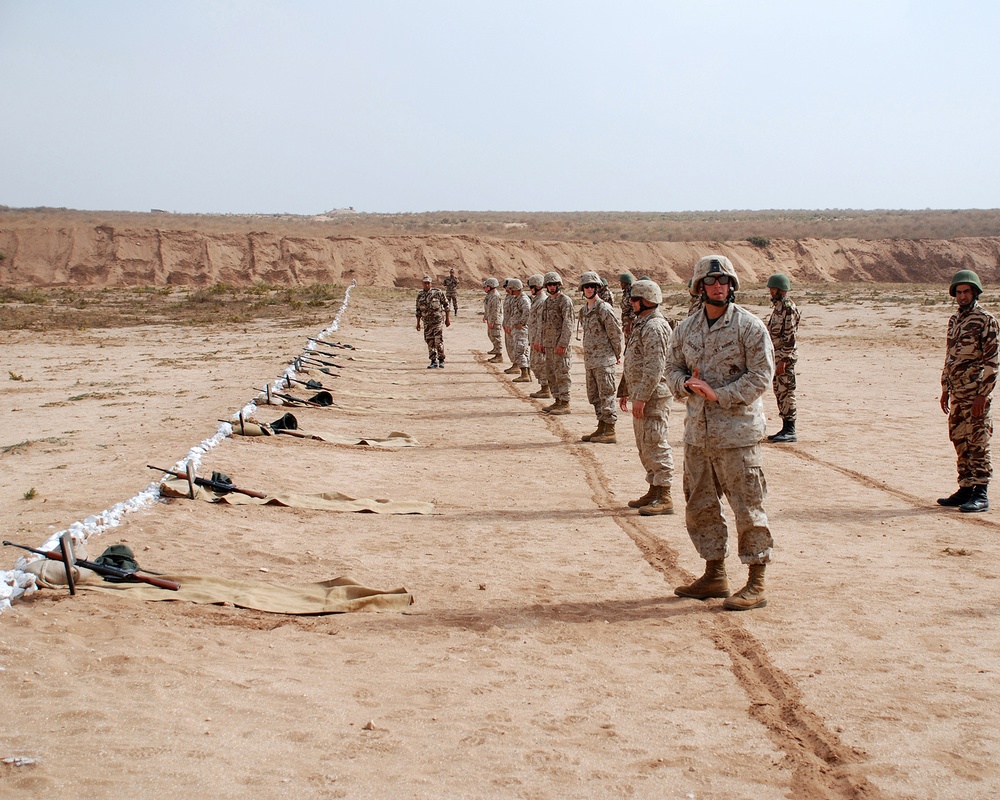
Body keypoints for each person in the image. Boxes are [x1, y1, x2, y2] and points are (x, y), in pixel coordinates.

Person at [666, 255, 775, 610]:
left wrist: (720, 394)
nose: (718, 287)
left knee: (747, 506)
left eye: (724, 281)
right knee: (701, 506)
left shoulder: (749, 327)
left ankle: (756, 581)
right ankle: (715, 575)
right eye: (711, 282)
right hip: (698, 433)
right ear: (699, 288)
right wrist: (685, 385)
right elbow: (672, 368)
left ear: (732, 286)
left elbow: (761, 375)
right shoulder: (686, 329)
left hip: (737, 434)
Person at [938, 269, 999, 513]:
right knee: (959, 439)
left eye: (967, 292)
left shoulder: (986, 320)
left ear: (975, 293)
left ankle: (981, 492)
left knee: (978, 441)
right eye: (959, 292)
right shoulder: (954, 321)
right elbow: (950, 357)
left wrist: (983, 395)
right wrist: (945, 388)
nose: (962, 296)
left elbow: (992, 362)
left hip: (975, 394)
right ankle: (965, 488)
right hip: (957, 393)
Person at [617, 279, 674, 514]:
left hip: (653, 396)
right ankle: (654, 489)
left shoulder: (655, 327)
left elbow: (654, 367)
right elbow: (633, 359)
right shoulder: (642, 323)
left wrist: (640, 397)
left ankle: (665, 495)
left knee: (655, 442)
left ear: (646, 300)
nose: (631, 303)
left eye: (634, 299)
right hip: (641, 393)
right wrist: (625, 390)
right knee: (644, 444)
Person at [579, 272, 623, 444]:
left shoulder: (604, 308)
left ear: (597, 288)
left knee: (607, 394)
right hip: (591, 360)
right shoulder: (584, 310)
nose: (589, 289)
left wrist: (617, 354)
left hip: (604, 360)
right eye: (586, 286)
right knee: (594, 395)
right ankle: (602, 426)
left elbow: (615, 333)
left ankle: (610, 429)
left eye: (592, 286)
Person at [765, 274, 802, 443]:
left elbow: (790, 337)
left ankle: (790, 429)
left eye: (773, 289)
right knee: (780, 391)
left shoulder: (788, 308)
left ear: (780, 290)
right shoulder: (778, 308)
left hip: (784, 359)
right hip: (776, 356)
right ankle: (785, 427)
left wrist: (784, 360)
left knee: (787, 392)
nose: (771, 292)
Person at [539, 271, 574, 414]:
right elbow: (543, 323)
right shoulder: (547, 302)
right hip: (549, 344)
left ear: (559, 285)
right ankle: (557, 399)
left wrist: (563, 344)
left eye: (554, 284)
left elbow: (568, 324)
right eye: (549, 285)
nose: (552, 287)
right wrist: (542, 342)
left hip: (560, 345)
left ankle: (565, 402)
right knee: (551, 373)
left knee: (562, 373)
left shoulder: (564, 301)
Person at [415, 275, 451, 369]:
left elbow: (446, 305)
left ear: (431, 283)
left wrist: (447, 319)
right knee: (429, 341)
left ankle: (441, 359)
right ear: (422, 284)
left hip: (437, 321)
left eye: (428, 283)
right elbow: (418, 310)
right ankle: (433, 361)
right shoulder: (420, 295)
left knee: (438, 341)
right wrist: (418, 323)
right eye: (425, 283)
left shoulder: (437, 292)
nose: (426, 285)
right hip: (427, 322)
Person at [526, 274, 551, 399]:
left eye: (532, 286)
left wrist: (538, 340)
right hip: (534, 337)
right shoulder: (537, 300)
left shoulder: (542, 301)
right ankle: (544, 387)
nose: (530, 289)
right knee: (535, 363)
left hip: (539, 338)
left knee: (540, 363)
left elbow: (541, 323)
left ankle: (546, 388)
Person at [506, 279, 532, 382]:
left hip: (521, 330)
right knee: (523, 351)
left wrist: (522, 323)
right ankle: (526, 373)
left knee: (520, 350)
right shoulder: (517, 298)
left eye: (511, 288)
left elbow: (528, 311)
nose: (509, 290)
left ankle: (525, 374)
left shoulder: (523, 299)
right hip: (517, 329)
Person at [482, 278, 503, 362]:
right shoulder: (490, 295)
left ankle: (499, 355)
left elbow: (495, 311)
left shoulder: (495, 296)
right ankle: (495, 349)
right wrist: (485, 316)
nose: (484, 289)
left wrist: (493, 321)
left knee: (496, 336)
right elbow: (488, 308)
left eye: (486, 287)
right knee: (491, 335)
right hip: (490, 319)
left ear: (490, 286)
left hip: (495, 320)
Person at [619, 272, 637, 339]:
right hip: (626, 321)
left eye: (622, 283)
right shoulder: (626, 293)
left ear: (627, 283)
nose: (621, 285)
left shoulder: (631, 294)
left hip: (631, 322)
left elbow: (633, 310)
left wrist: (630, 323)